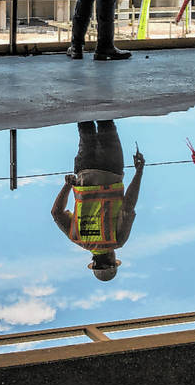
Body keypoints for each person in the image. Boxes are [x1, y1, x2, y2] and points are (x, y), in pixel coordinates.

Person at [51, 120, 145, 281]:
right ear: (94, 261)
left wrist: (139, 172)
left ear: (111, 260)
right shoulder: (78, 238)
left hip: (111, 170)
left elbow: (127, 207)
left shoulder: (117, 240)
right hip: (84, 170)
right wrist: (68, 185)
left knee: (106, 123)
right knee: (85, 127)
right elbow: (56, 213)